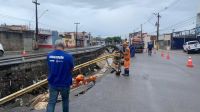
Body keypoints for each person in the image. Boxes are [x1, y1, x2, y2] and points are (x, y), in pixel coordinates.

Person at [46, 39, 74, 112]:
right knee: (65, 101)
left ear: (55, 46)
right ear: (63, 46)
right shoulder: (69, 57)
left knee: (51, 103)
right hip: (65, 83)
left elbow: (49, 67)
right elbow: (71, 69)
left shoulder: (49, 55)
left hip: (53, 83)